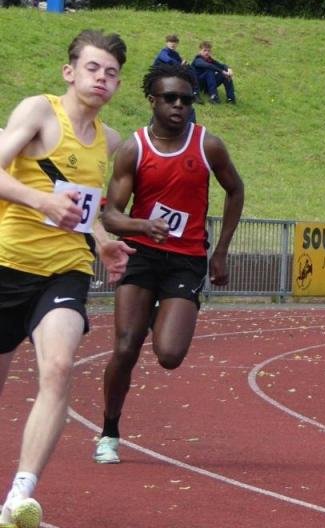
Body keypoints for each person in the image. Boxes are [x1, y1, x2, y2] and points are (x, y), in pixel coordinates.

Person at [0, 30, 135, 526]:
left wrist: (101, 238)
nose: (103, 79)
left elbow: (83, 211)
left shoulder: (111, 142)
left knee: (58, 367)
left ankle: (20, 495)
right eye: (94, 68)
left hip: (65, 271)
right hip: (7, 262)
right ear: (70, 72)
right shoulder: (38, 111)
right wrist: (40, 200)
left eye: (112, 73)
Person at [92, 62, 245, 464]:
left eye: (186, 99)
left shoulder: (208, 145)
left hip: (185, 261)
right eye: (170, 98)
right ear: (152, 100)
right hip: (141, 255)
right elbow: (110, 215)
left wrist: (222, 249)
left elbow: (235, 190)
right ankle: (109, 430)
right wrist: (142, 225)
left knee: (169, 355)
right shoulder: (134, 148)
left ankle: (161, 312)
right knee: (125, 348)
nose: (179, 106)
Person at [153, 35, 198, 122]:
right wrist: (180, 64)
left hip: (169, 75)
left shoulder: (175, 54)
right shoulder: (163, 52)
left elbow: (181, 62)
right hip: (159, 76)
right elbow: (168, 60)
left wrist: (184, 64)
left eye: (174, 43)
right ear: (166, 43)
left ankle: (195, 92)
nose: (172, 44)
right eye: (170, 42)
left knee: (189, 69)